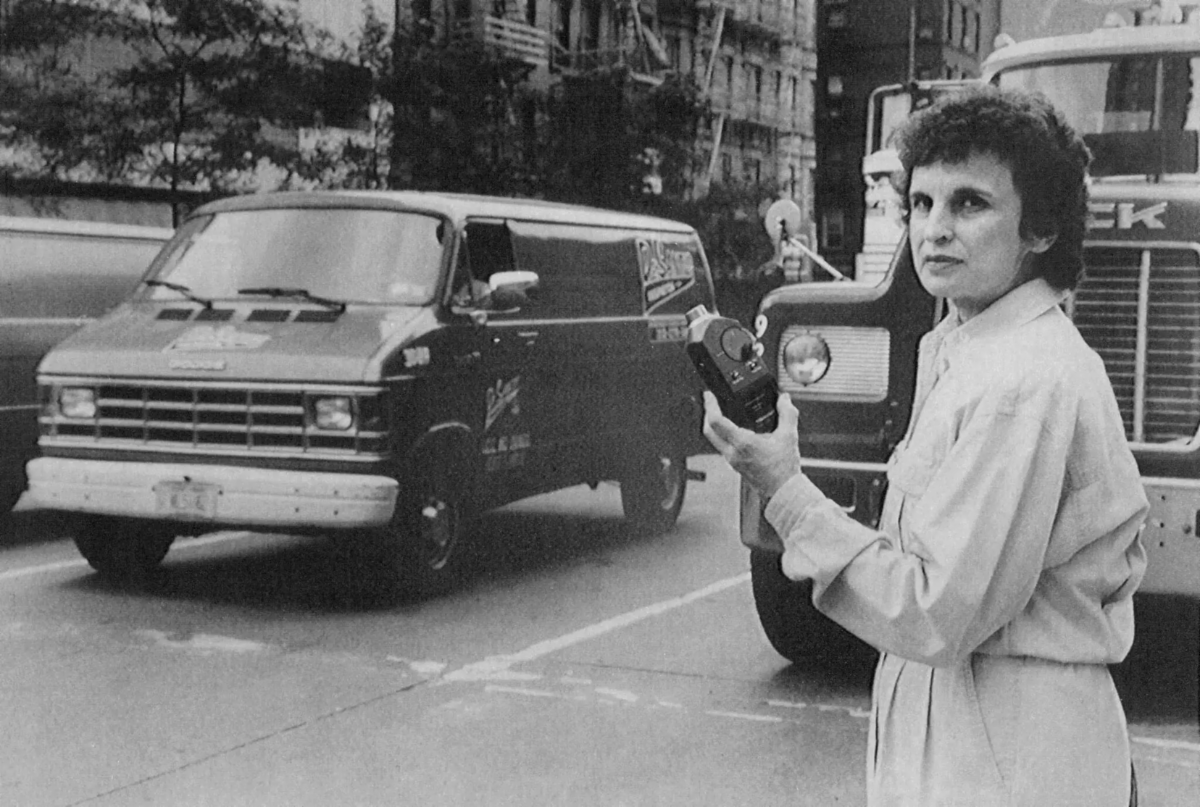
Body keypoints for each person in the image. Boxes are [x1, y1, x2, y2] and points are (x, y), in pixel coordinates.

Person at [703, 86, 1148, 807]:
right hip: (983, 736)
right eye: (920, 203)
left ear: (1040, 229)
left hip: (1006, 755)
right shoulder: (976, 351)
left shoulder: (1020, 381)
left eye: (969, 204)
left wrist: (786, 492)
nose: (934, 229)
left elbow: (935, 611)